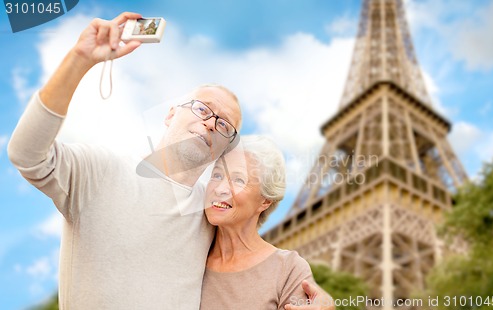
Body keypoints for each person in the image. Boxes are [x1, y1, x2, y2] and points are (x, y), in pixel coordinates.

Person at [8, 11, 334, 310]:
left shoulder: (210, 215)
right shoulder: (98, 170)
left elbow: (254, 264)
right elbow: (25, 153)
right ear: (170, 114)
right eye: (203, 109)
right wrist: (79, 60)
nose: (210, 122)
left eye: (224, 125)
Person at [201, 135, 315, 309]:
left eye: (239, 180)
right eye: (217, 175)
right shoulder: (190, 253)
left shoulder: (288, 270)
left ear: (265, 201)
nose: (220, 188)